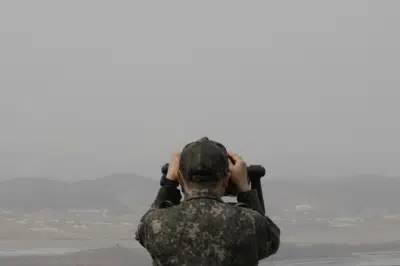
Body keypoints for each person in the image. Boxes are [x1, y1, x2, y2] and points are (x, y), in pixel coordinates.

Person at [135, 137, 280, 266]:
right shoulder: (250, 223)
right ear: (227, 178)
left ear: (179, 177)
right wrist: (245, 190)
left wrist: (169, 184)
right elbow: (270, 240)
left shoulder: (156, 224)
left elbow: (142, 233)